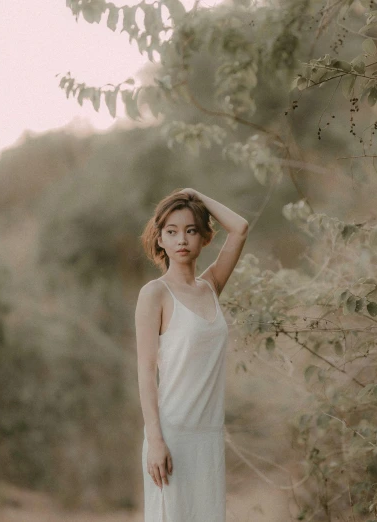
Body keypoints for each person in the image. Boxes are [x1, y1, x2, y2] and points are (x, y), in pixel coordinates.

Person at [135, 187, 249, 521]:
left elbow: (240, 228)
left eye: (190, 230)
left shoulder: (210, 285)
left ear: (203, 238)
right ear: (160, 240)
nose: (181, 239)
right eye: (171, 232)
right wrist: (155, 440)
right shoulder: (154, 294)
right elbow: (145, 372)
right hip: (172, 437)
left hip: (209, 437)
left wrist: (196, 196)